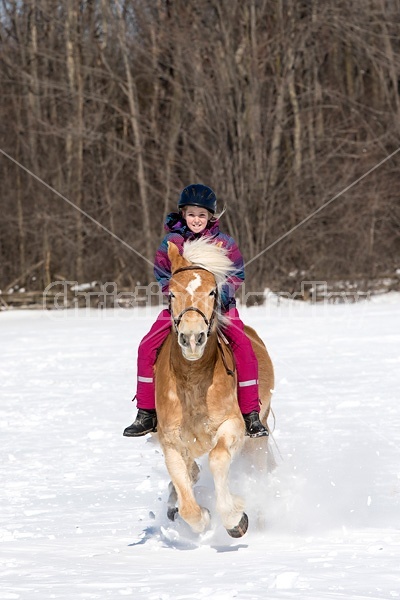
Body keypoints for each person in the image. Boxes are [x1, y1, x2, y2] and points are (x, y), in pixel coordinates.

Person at [123, 184, 268, 438]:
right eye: (191, 214)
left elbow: (237, 275)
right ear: (183, 214)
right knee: (146, 346)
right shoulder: (172, 242)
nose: (196, 220)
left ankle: (250, 414)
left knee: (244, 348)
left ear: (211, 216)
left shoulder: (225, 243)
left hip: (219, 308)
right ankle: (146, 413)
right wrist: (180, 296)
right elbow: (161, 273)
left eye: (202, 215)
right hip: (181, 308)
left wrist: (214, 299)